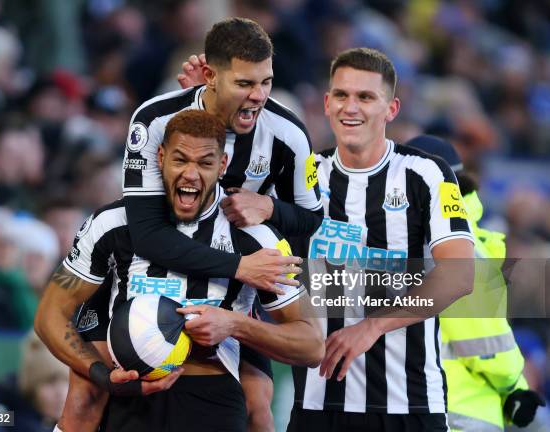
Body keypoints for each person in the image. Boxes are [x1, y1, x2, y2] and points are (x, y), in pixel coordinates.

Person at [35, 110, 324, 432]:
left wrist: (234, 324)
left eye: (204, 163)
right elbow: (49, 315)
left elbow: (312, 345)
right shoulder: (112, 224)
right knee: (82, 401)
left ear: (223, 165)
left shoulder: (257, 237)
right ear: (160, 157)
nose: (190, 174)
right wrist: (103, 376)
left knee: (259, 411)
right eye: (180, 160)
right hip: (130, 383)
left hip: (211, 387)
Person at [121, 17, 324, 430]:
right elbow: (146, 233)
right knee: (89, 394)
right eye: (245, 84)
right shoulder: (156, 120)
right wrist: (240, 266)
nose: (259, 96)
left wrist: (270, 208)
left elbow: (312, 217)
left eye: (266, 82)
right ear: (210, 77)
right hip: (154, 274)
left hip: (237, 290)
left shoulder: (287, 134)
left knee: (258, 408)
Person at [284, 48, 475, 432]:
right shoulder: (301, 177)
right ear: (326, 102)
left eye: (365, 97)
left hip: (409, 404)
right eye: (341, 95)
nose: (350, 107)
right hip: (318, 405)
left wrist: (371, 327)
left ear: (391, 109)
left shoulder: (425, 174)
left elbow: (459, 274)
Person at [407, 135, 546, 431]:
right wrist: (514, 387)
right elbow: (487, 344)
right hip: (459, 412)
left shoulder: (385, 237)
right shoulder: (460, 246)